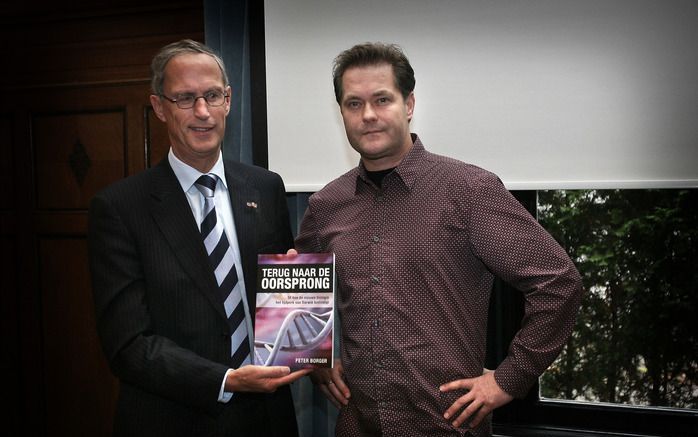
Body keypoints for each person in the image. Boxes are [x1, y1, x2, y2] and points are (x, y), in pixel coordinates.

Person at [294, 42, 584, 436]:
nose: (368, 116)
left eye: (382, 99)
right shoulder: (326, 205)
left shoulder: (468, 190)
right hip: (357, 426)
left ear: (409, 104)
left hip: (447, 426)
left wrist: (508, 380)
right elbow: (299, 291)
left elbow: (558, 283)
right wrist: (313, 359)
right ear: (341, 111)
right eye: (353, 103)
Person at [88, 39, 310, 437]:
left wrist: (298, 300)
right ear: (159, 107)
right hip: (173, 419)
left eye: (211, 95)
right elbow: (128, 345)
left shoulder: (265, 188)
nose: (202, 112)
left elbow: (279, 307)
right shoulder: (120, 208)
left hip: (267, 418)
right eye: (185, 98)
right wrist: (226, 380)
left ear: (228, 100)